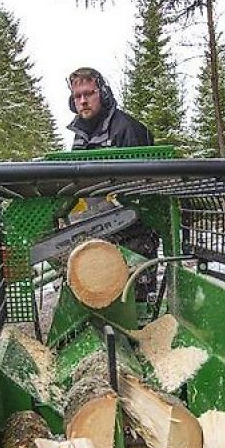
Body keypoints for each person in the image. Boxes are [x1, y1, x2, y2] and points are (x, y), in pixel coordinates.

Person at [66, 67, 159, 298]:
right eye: (78, 96)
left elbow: (142, 183)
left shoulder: (125, 128)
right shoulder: (81, 134)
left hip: (132, 228)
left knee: (133, 297)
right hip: (97, 224)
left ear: (103, 93)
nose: (83, 101)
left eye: (89, 93)